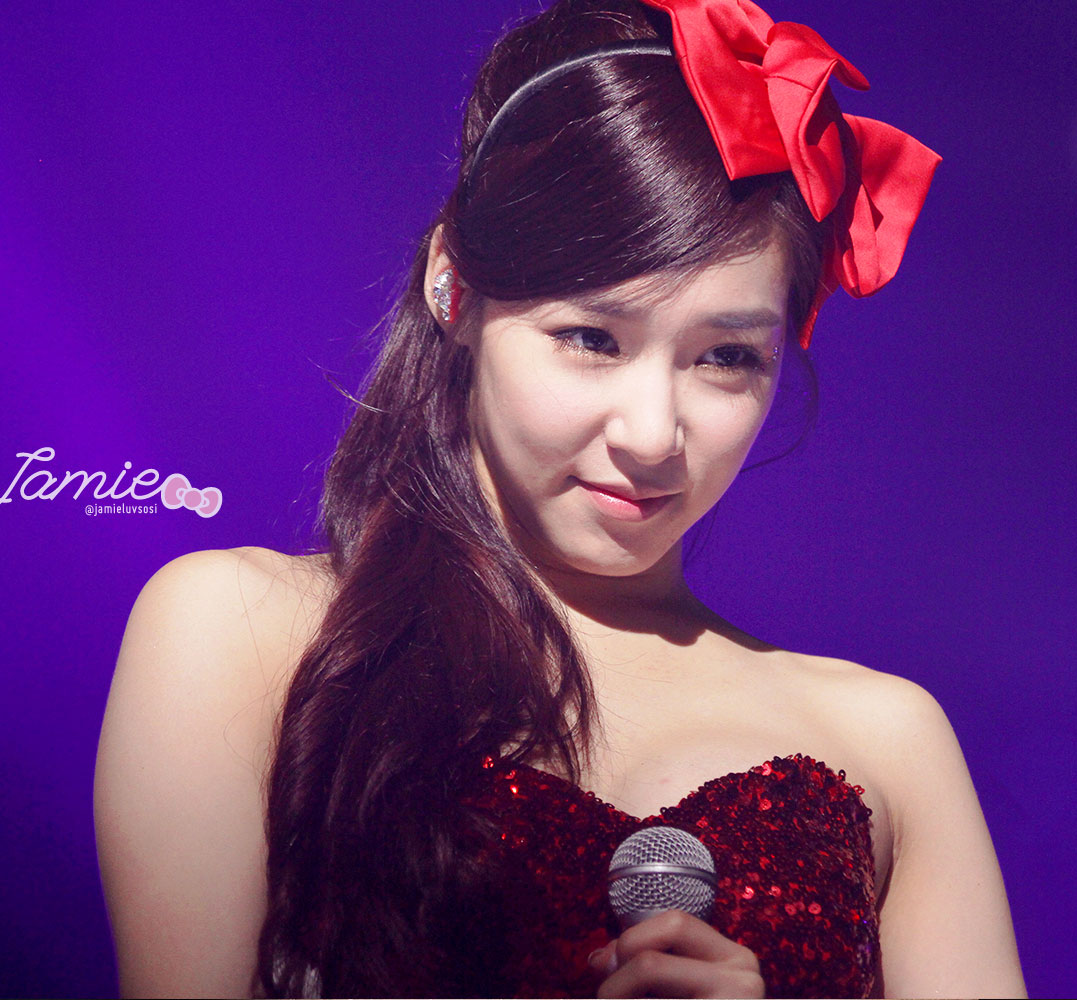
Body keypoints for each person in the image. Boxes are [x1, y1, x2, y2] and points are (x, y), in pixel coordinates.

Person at [94, 0, 1026, 996]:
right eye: (592, 338)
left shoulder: (890, 739)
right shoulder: (240, 636)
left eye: (725, 357)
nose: (652, 434)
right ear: (454, 288)